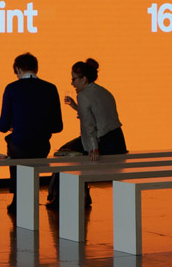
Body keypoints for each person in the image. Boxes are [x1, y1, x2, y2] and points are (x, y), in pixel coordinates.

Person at [46, 58, 127, 208]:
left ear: (84, 79)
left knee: (63, 154)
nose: (72, 83)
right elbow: (98, 116)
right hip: (117, 140)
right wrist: (76, 107)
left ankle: (57, 197)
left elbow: (89, 126)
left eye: (74, 79)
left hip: (102, 142)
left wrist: (93, 148)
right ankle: (78, 193)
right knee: (71, 153)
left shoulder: (83, 95)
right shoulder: (104, 91)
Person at [0, 52, 63, 213]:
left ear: (18, 69)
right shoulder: (50, 88)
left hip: (20, 145)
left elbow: (3, 126)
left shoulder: (12, 88)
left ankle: (18, 199)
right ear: (36, 68)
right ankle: (28, 198)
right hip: (41, 145)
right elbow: (57, 126)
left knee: (14, 148)